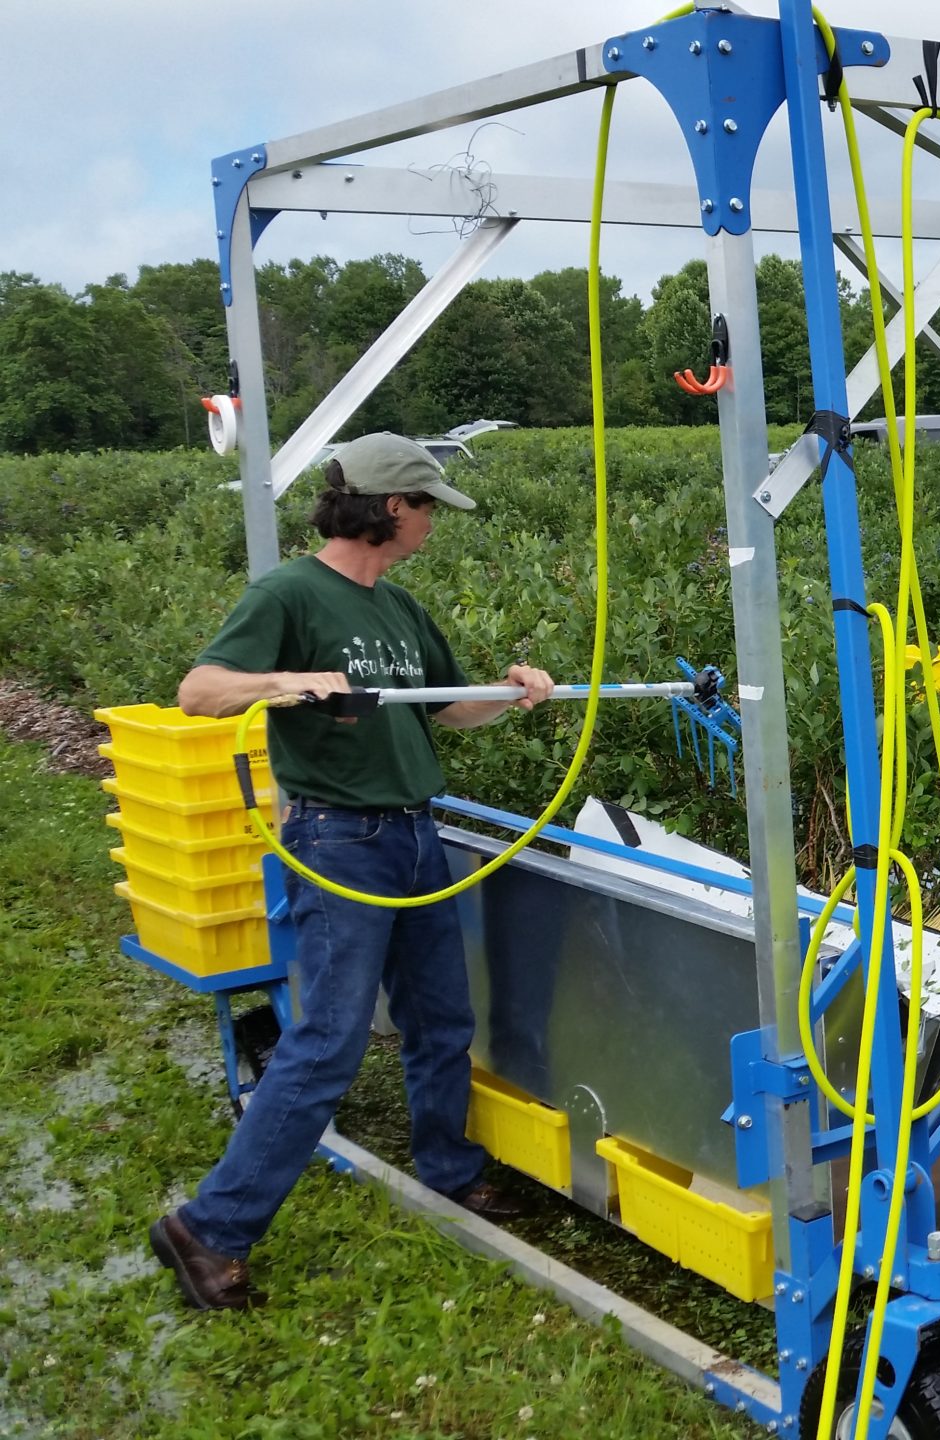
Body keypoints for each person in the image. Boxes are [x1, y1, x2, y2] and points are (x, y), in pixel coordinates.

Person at [150, 433, 555, 1311]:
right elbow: (199, 690)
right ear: (390, 509)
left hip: (415, 836)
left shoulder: (400, 609)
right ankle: (209, 1228)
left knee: (443, 1020)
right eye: (428, 511)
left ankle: (449, 1170)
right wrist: (289, 681)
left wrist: (516, 691)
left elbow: (447, 709)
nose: (433, 527)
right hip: (339, 842)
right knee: (327, 1045)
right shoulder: (290, 593)